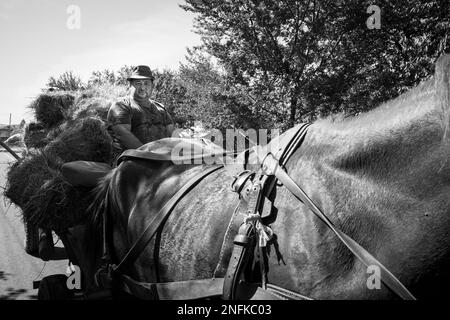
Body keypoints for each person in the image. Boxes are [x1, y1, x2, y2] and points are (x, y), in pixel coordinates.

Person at [107, 65, 175, 160]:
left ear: (152, 86)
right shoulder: (122, 105)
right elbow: (122, 134)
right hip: (132, 160)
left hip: (163, 159)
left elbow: (172, 133)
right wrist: (149, 156)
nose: (142, 88)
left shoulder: (160, 107)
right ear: (130, 85)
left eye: (146, 83)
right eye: (138, 83)